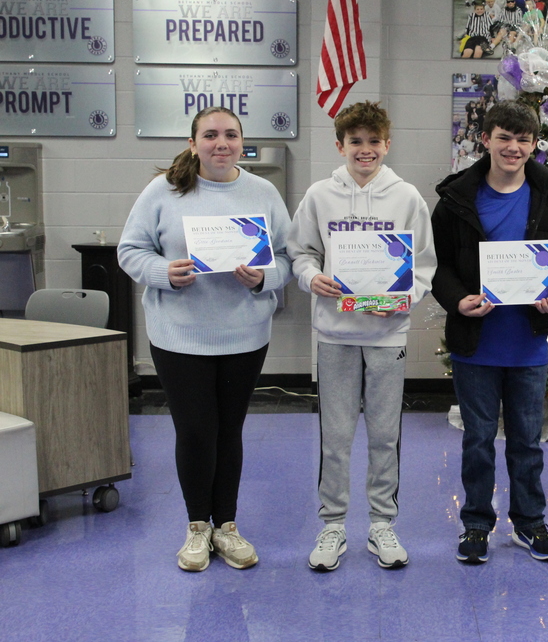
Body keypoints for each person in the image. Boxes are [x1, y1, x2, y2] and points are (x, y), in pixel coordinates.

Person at [118, 106, 292, 572]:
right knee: (195, 431)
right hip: (179, 336)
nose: (222, 143)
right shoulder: (164, 191)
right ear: (193, 143)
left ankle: (227, 527)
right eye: (210, 135)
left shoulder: (263, 192)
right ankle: (198, 527)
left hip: (244, 334)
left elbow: (290, 261)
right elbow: (129, 250)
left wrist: (262, 279)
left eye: (231, 135)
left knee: (229, 431)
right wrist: (161, 272)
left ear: (241, 142)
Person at [288, 101, 435, 573]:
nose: (365, 150)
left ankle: (380, 524)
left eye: (374, 141)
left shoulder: (407, 197)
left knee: (384, 434)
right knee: (335, 435)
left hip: (387, 333)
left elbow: (423, 266)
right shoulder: (319, 195)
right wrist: (312, 278)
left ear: (387, 145)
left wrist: (405, 296)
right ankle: (332, 525)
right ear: (340, 146)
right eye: (356, 142)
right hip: (335, 333)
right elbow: (301, 253)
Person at [431, 100, 548, 565]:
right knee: (477, 440)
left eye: (523, 140)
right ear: (486, 139)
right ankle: (476, 524)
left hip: (528, 339)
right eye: (504, 137)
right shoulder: (456, 197)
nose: (513, 147)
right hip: (476, 342)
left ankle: (530, 522)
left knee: (528, 441)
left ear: (534, 146)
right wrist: (458, 301)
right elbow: (440, 267)